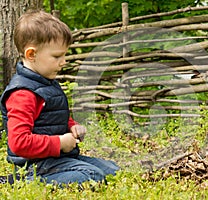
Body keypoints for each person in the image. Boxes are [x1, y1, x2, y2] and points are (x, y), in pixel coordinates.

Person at [0, 10, 119, 185]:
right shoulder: (22, 94)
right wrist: (59, 143)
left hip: (56, 158)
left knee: (113, 170)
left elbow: (52, 116)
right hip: (36, 164)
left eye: (64, 55)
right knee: (93, 176)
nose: (63, 62)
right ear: (31, 54)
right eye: (57, 56)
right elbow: (19, 142)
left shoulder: (47, 82)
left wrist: (72, 127)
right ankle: (23, 181)